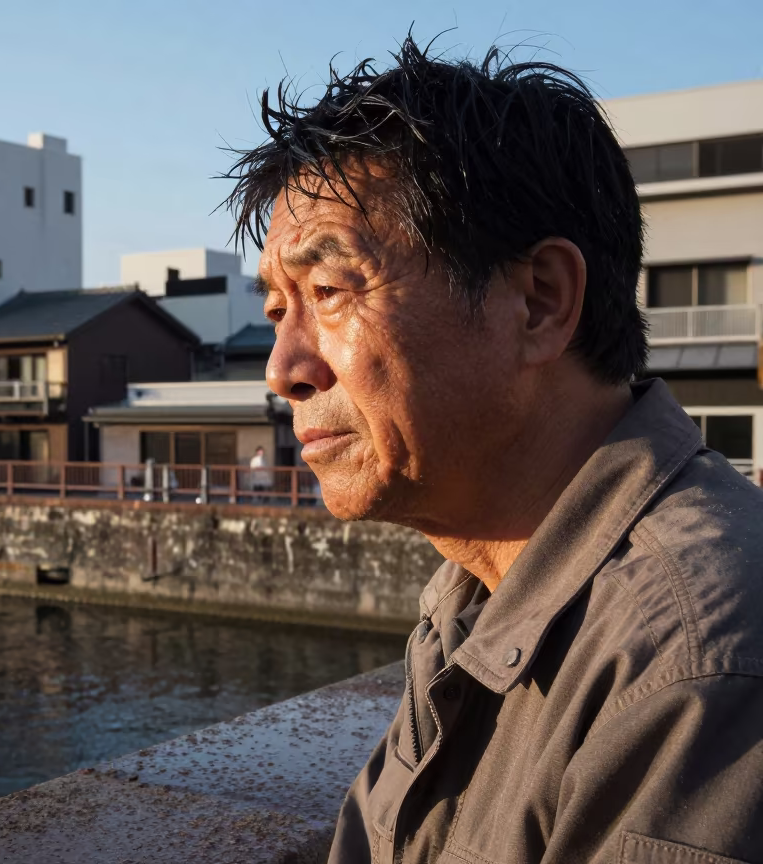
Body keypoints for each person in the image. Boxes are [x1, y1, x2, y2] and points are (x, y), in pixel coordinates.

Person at [228, 35, 763, 863]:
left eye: (329, 291)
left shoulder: (692, 658)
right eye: (277, 311)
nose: (283, 369)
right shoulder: (470, 596)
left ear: (539, 302)